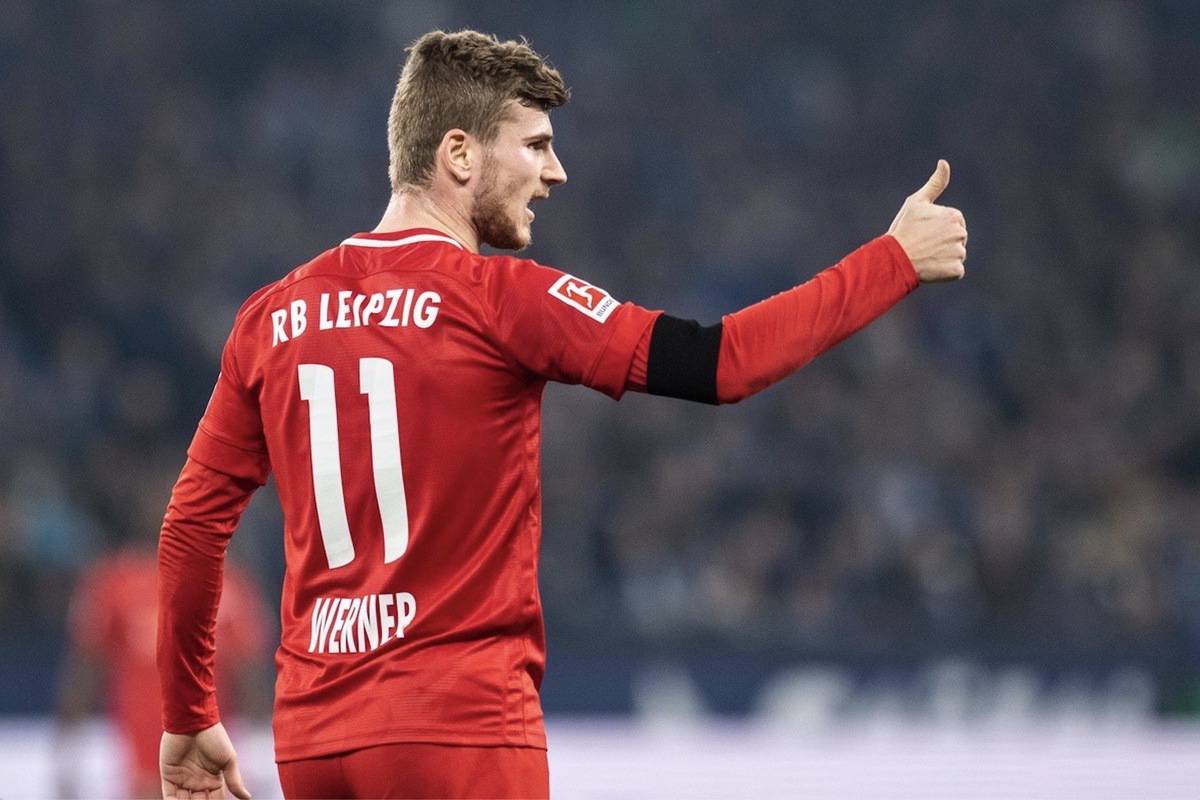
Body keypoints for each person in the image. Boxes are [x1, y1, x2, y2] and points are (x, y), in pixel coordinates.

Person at [157, 28, 967, 800]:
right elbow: (721, 363)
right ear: (460, 154)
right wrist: (890, 262)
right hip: (461, 730)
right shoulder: (501, 299)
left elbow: (192, 524)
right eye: (536, 145)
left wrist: (188, 715)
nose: (557, 173)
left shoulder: (271, 317)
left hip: (314, 740)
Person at [56, 537, 270, 798]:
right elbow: (86, 668)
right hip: (144, 765)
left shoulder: (228, 582)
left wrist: (260, 751)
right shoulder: (115, 582)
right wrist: (68, 755)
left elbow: (250, 671)